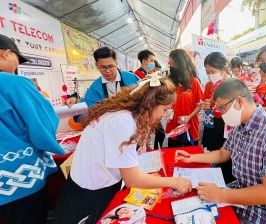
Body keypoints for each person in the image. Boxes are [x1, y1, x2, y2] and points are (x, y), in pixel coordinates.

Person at [53, 76, 192, 223]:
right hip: (90, 192)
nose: (164, 115)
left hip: (99, 183)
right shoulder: (122, 122)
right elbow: (132, 179)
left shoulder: (127, 114)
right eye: (164, 109)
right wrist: (174, 181)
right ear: (150, 104)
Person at [175, 78, 266, 223]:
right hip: (240, 200)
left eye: (222, 108)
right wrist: (192, 157)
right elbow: (222, 153)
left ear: (239, 101)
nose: (221, 113)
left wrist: (221, 195)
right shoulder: (240, 126)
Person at [0, 34, 66, 223]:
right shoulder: (14, 82)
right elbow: (43, 123)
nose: (17, 65)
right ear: (6, 53)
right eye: (17, 59)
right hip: (18, 175)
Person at [65, 47, 140, 108]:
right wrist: (75, 100)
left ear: (116, 63)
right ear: (97, 65)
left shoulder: (132, 78)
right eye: (103, 67)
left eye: (111, 66)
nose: (107, 71)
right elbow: (89, 104)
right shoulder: (95, 87)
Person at [202, 52, 235, 183]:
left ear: (224, 69)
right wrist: (208, 106)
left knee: (230, 155)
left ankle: (229, 184)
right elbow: (208, 104)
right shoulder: (209, 85)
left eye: (212, 71)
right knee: (217, 152)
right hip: (216, 123)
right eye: (207, 72)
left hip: (231, 124)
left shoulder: (234, 84)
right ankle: (218, 181)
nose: (210, 75)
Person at [166, 49, 203, 147]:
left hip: (189, 126)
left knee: (190, 155)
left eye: (174, 63)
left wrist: (189, 117)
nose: (172, 66)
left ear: (181, 63)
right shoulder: (169, 81)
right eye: (171, 63)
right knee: (173, 156)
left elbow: (200, 104)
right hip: (173, 125)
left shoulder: (194, 82)